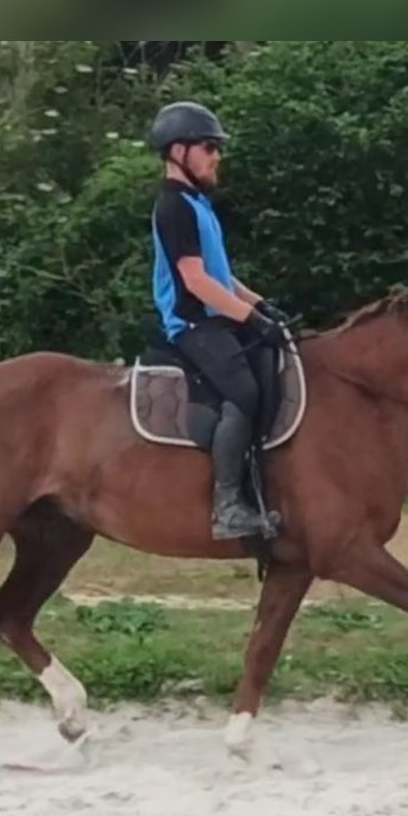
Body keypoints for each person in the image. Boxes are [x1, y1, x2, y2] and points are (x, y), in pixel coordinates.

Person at [148, 100, 292, 540]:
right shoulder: (173, 206)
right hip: (192, 325)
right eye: (209, 147)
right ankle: (227, 507)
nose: (217, 156)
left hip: (217, 318)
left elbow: (221, 276)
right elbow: (194, 281)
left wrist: (263, 306)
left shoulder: (197, 205)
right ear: (179, 151)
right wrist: (251, 318)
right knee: (243, 392)